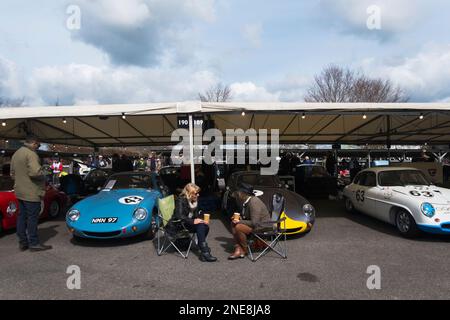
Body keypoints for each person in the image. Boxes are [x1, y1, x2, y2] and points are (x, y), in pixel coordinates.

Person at [10, 135, 52, 252]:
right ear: (33, 143)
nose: (37, 147)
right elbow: (35, 172)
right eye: (37, 145)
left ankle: (23, 242)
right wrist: (45, 172)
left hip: (19, 190)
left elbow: (12, 174)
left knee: (21, 217)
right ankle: (34, 243)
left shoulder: (16, 153)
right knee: (32, 218)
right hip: (31, 192)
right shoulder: (31, 154)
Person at [171, 183, 217, 262]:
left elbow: (195, 215)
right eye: (196, 193)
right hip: (179, 224)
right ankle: (205, 251)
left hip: (187, 223)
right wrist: (193, 221)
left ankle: (203, 251)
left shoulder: (194, 200)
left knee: (205, 226)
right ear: (189, 193)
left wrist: (200, 219)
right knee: (202, 226)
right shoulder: (181, 200)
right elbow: (179, 216)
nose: (198, 195)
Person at [228, 183, 271, 260]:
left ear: (243, 193)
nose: (237, 193)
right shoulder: (247, 200)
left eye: (238, 192)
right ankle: (238, 248)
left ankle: (244, 249)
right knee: (233, 223)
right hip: (258, 225)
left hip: (263, 227)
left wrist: (239, 221)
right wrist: (239, 218)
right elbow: (249, 217)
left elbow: (254, 223)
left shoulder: (254, 202)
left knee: (238, 226)